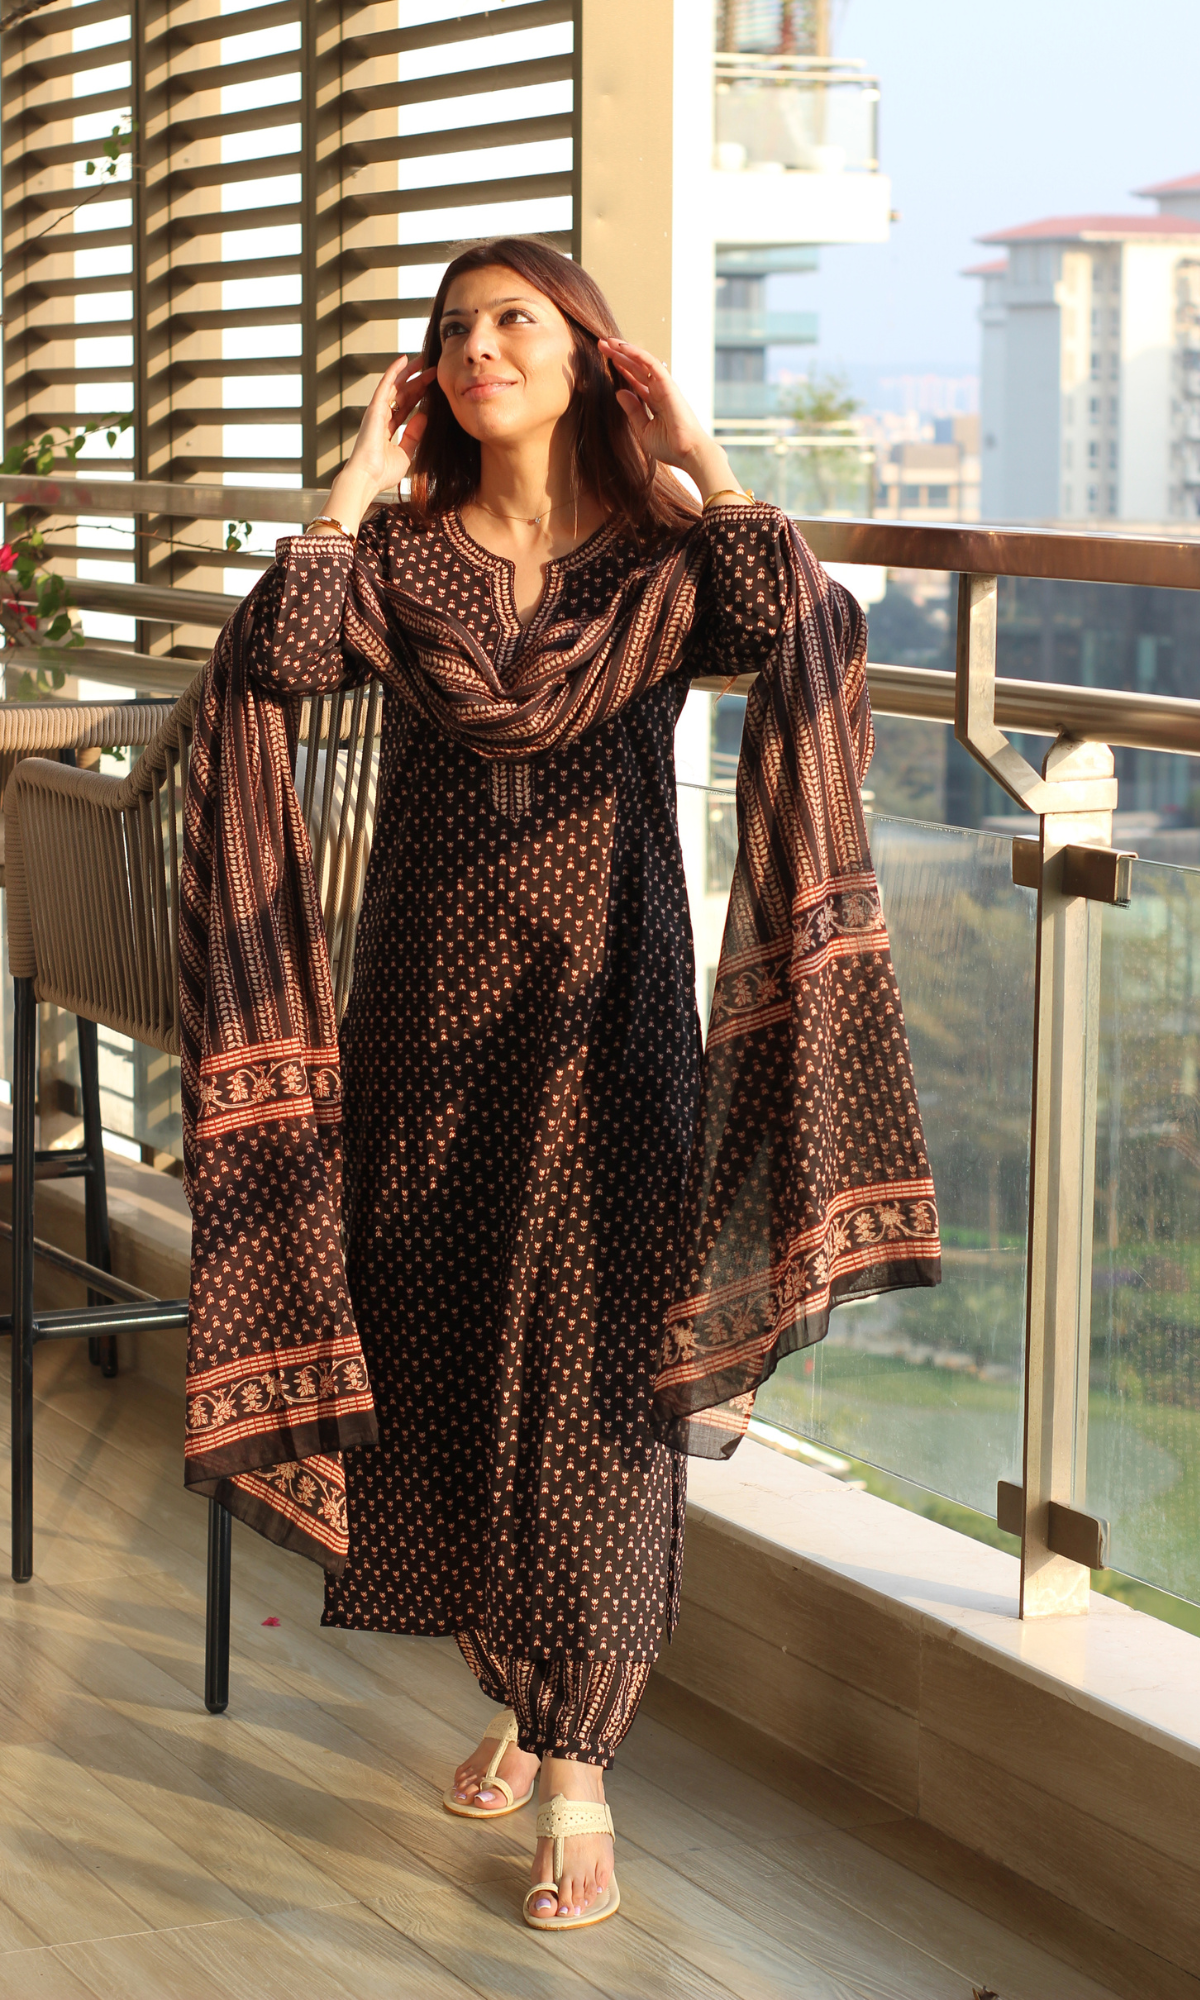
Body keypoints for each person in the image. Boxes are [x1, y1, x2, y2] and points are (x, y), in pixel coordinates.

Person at [181, 234, 938, 1934]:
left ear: (590, 355)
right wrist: (352, 476)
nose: (478, 350)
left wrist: (702, 456)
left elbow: (795, 622)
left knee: (601, 1378)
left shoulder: (659, 561)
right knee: (446, 1355)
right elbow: (279, 662)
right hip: (423, 1015)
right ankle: (525, 1689)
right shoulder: (400, 555)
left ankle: (580, 1762)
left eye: (515, 320)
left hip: (611, 1015)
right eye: (454, 330)